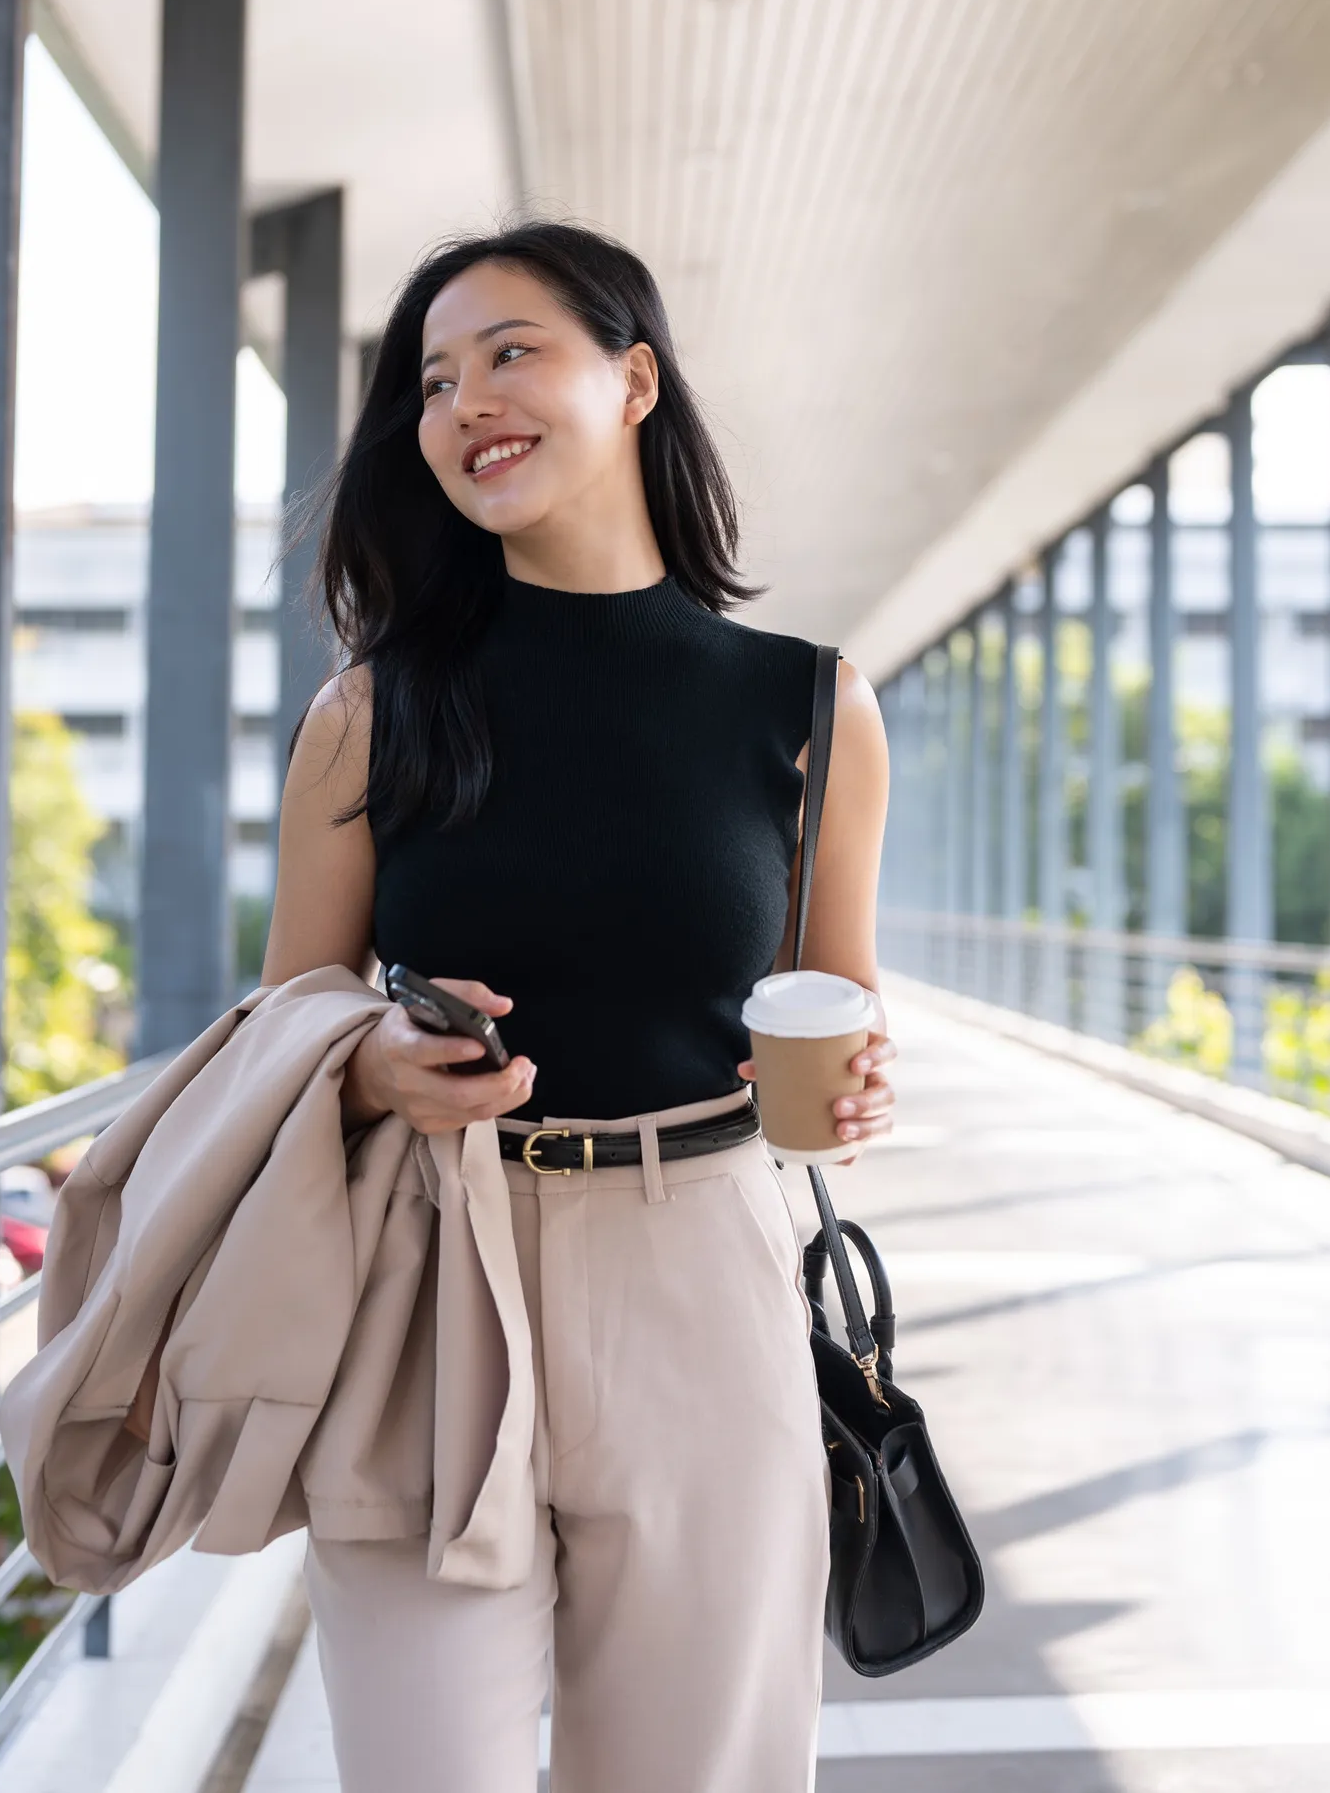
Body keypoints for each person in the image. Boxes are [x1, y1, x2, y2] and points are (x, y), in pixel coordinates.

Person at [261, 220, 894, 1793]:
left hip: (702, 1265)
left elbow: (841, 1000)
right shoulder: (370, 713)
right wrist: (371, 1065)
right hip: (427, 1274)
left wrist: (864, 1083)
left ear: (636, 381)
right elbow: (282, 1027)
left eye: (510, 351)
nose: (465, 396)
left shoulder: (811, 705)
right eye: (432, 378)